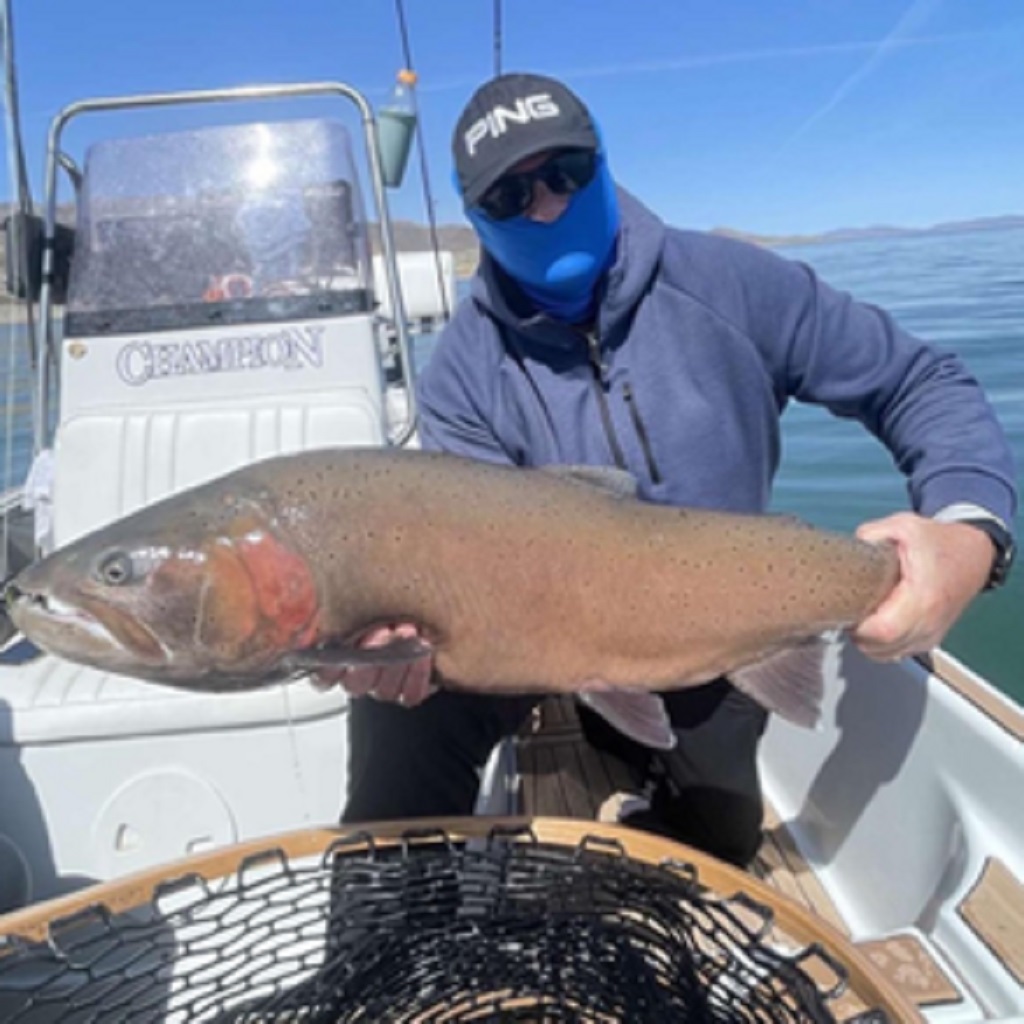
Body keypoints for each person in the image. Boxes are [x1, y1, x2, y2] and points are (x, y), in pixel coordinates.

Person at [332, 72, 1017, 868]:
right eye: (510, 195)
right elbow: (471, 548)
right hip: (524, 628)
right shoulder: (461, 371)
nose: (547, 206)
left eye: (565, 173)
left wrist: (971, 534)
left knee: (719, 829)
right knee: (393, 723)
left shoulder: (732, 283)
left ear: (604, 165)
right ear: (476, 217)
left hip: (714, 619)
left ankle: (642, 787)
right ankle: (389, 932)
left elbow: (918, 382)